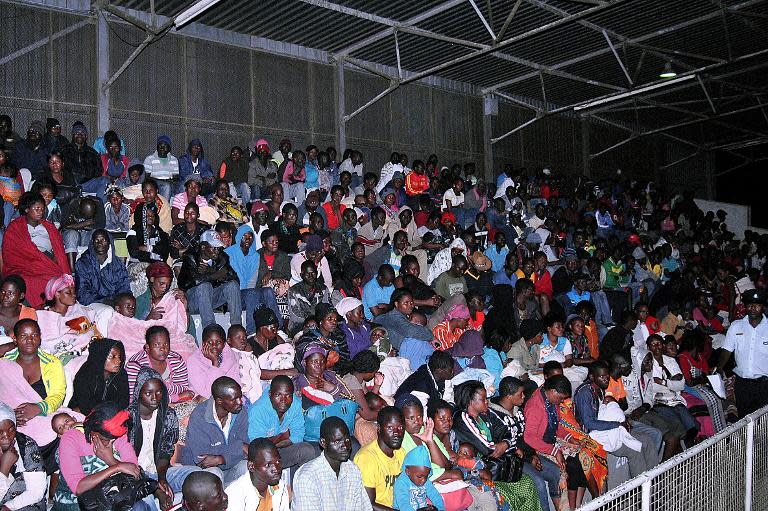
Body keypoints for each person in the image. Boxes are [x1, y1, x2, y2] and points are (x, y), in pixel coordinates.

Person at [128, 368, 203, 511]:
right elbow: (128, 462)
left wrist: (162, 478)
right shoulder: (128, 418)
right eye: (148, 393)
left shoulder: (168, 415)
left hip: (160, 470)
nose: (155, 398)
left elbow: (165, 452)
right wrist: (156, 489)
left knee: (199, 476)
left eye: (158, 392)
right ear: (139, 393)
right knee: (146, 500)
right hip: (136, 477)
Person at [57, 401, 150, 511]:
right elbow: (78, 487)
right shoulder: (70, 438)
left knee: (141, 506)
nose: (110, 443)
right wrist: (116, 467)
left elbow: (135, 473)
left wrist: (110, 460)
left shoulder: (117, 432)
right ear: (92, 432)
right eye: (104, 439)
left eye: (113, 439)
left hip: (112, 495)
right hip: (78, 503)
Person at [573, 361, 659, 478]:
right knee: (634, 450)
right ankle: (640, 490)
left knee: (648, 440)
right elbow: (589, 424)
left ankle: (654, 481)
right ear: (592, 377)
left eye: (607, 376)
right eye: (602, 377)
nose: (606, 380)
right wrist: (617, 424)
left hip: (610, 427)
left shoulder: (600, 388)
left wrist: (621, 422)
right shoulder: (585, 393)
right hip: (594, 434)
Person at [491, 376, 561, 511]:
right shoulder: (495, 416)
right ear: (509, 396)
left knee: (555, 472)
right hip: (510, 460)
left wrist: (532, 455)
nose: (524, 396)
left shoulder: (519, 410)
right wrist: (529, 458)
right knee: (538, 483)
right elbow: (506, 448)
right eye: (520, 394)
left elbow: (527, 437)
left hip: (527, 455)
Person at [523, 375, 592, 509]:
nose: (561, 401)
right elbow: (529, 437)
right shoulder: (535, 405)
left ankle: (576, 505)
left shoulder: (550, 400)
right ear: (553, 391)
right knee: (569, 466)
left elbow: (556, 425)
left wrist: (569, 438)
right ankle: (565, 507)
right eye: (561, 398)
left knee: (585, 454)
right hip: (537, 447)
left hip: (550, 441)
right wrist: (555, 452)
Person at [3, 192, 70, 307]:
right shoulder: (15, 227)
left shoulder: (49, 227)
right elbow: (10, 255)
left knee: (59, 281)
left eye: (42, 209)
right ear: (27, 210)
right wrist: (35, 261)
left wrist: (53, 262)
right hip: (24, 266)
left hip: (48, 263)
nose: (41, 212)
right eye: (37, 208)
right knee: (26, 281)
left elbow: (59, 252)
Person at [293, 416, 372, 511]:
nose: (345, 446)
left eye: (347, 440)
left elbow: (364, 507)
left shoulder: (352, 470)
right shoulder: (308, 476)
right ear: (323, 443)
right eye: (337, 441)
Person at [181, 376, 249, 485]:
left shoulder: (240, 412)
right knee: (214, 473)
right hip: (200, 474)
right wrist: (239, 447)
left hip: (229, 466)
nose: (240, 402)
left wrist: (221, 458)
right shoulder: (200, 417)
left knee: (247, 467)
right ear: (219, 401)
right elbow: (202, 459)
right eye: (233, 399)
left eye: (240, 397)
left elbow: (247, 449)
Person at [247, 375, 316, 475]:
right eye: (278, 395)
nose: (283, 400)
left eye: (288, 395)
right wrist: (283, 436)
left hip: (280, 451)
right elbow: (258, 448)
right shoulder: (258, 410)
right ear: (270, 394)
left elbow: (298, 436)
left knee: (307, 450)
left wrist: (274, 441)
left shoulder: (295, 403)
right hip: (263, 459)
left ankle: (297, 484)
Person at [715, 289, 768, 416]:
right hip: (742, 384)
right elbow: (727, 350)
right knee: (745, 419)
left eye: (757, 305)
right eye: (749, 304)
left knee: (763, 422)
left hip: (764, 384)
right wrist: (719, 368)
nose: (753, 308)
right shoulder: (736, 326)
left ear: (763, 307)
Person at [178, 229, 242, 330]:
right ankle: (210, 328)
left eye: (218, 247)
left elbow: (235, 279)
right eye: (214, 247)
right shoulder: (191, 257)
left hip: (211, 298)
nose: (217, 251)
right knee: (204, 286)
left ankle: (236, 327)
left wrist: (210, 271)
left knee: (233, 285)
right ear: (203, 247)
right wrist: (214, 275)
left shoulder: (222, 257)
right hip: (193, 300)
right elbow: (188, 283)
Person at [353, 406, 406, 509]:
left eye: (400, 427)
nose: (396, 433)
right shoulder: (366, 458)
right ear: (379, 429)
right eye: (390, 427)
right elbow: (367, 504)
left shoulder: (401, 452)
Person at [126, 325, 194, 403]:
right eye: (157, 345)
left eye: (166, 344)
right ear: (147, 347)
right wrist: (175, 396)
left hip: (174, 404)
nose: (162, 349)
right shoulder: (136, 365)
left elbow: (183, 388)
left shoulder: (176, 360)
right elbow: (134, 399)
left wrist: (160, 389)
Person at [0, 401, 47, 511]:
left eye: (11, 429)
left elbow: (36, 492)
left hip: (25, 505)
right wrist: (4, 469)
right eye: (0, 432)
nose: (6, 437)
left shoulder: (26, 445)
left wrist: (8, 507)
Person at [225, 438, 290, 511]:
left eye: (278, 462)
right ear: (251, 466)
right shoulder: (236, 494)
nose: (276, 469)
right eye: (268, 465)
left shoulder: (280, 486)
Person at [69, 338, 128, 415]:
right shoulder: (85, 375)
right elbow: (85, 406)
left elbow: (123, 403)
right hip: (83, 414)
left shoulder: (121, 374)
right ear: (100, 356)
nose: (118, 361)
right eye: (112, 357)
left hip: (110, 415)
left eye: (119, 356)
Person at [74, 229, 131, 305]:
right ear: (92, 243)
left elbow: (124, 288)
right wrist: (104, 302)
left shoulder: (117, 264)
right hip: (92, 305)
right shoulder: (83, 263)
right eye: (96, 240)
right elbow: (82, 293)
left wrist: (120, 302)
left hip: (114, 303)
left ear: (109, 242)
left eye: (103, 240)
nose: (100, 243)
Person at [224, 225, 262, 335]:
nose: (247, 239)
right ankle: (251, 331)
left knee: (263, 292)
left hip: (247, 293)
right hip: (232, 293)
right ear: (239, 237)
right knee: (251, 294)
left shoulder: (255, 256)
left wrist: (248, 292)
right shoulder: (228, 253)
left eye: (250, 237)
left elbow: (252, 280)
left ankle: (255, 331)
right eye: (244, 236)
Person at [187, 325, 241, 399]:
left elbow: (235, 387)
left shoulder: (232, 357)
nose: (214, 346)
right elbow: (207, 393)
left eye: (218, 342)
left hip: (229, 399)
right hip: (203, 400)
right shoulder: (194, 361)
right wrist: (215, 363)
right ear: (203, 344)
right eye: (209, 342)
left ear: (224, 344)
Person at [393, 444, 445, 511]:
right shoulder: (401, 483)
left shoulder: (425, 481)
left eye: (426, 476)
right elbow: (403, 504)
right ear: (407, 471)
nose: (423, 480)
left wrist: (441, 509)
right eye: (419, 477)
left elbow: (435, 496)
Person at [287, 260, 328, 334]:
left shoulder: (323, 288)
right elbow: (296, 316)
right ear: (301, 275)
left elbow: (326, 309)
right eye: (307, 274)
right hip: (299, 327)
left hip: (319, 325)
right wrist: (313, 320)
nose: (311, 276)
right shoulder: (294, 290)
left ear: (317, 273)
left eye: (313, 273)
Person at [0, 276, 37, 356]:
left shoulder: (29, 314)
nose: (5, 296)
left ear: (21, 296)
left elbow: (32, 341)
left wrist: (9, 346)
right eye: (3, 292)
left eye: (11, 293)